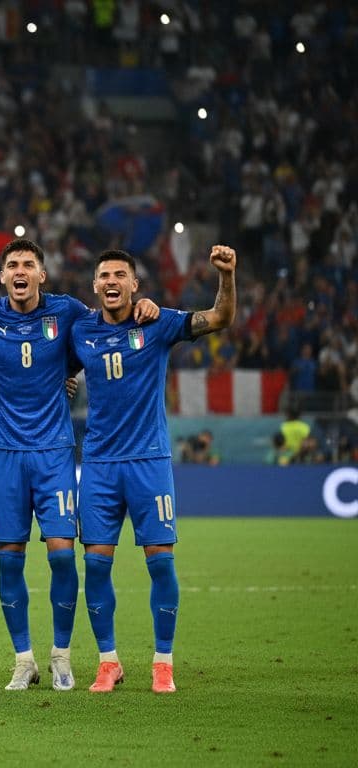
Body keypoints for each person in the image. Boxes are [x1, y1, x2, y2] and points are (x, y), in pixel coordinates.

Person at [0, 238, 158, 691]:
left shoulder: (67, 312)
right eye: (12, 265)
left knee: (63, 557)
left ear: (41, 275)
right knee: (8, 562)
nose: (20, 271)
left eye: (29, 264)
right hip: (6, 454)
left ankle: (61, 656)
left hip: (54, 453)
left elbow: (105, 331)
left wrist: (143, 304)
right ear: (3, 276)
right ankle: (23, 659)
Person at [69, 246, 236, 694]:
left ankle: (163, 662)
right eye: (103, 275)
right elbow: (47, 363)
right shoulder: (80, 328)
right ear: (94, 286)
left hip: (149, 463)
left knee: (161, 565)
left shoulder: (157, 322)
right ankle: (109, 662)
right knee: (96, 567)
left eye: (120, 275)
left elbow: (219, 318)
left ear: (134, 284)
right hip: (100, 466)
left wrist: (227, 275)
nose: (111, 281)